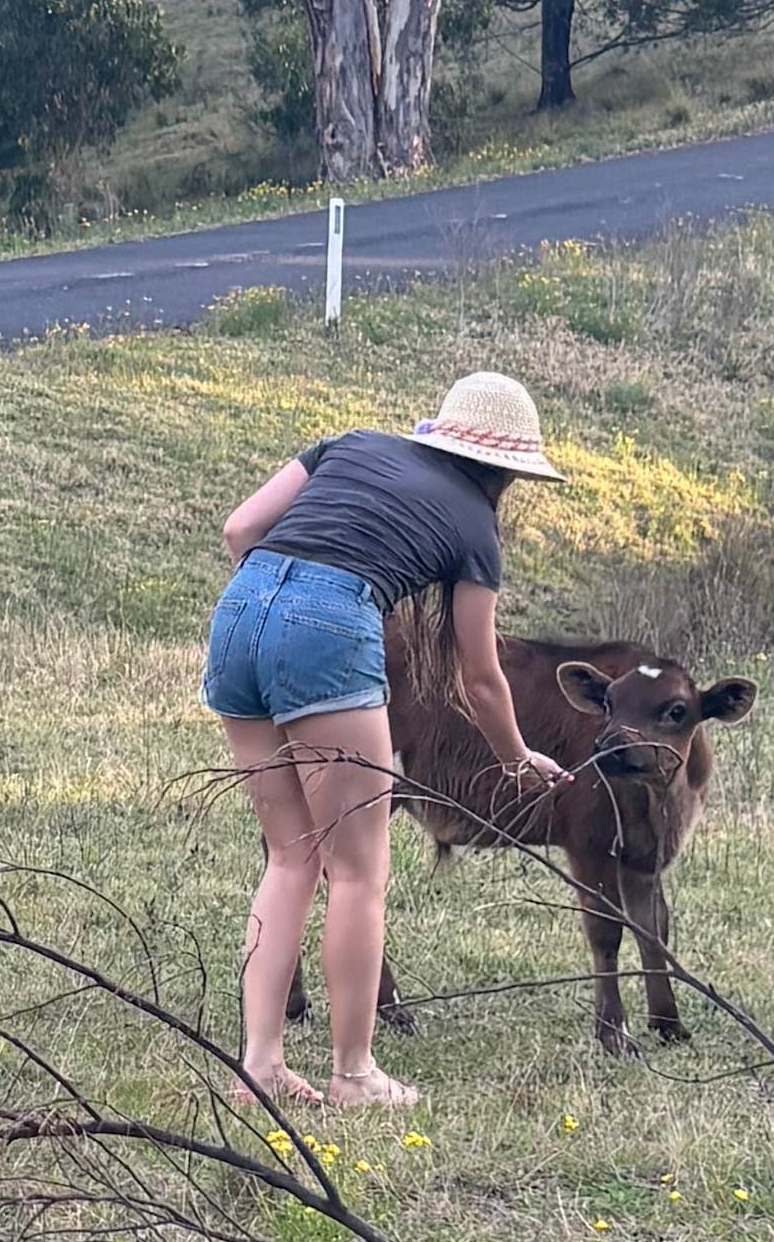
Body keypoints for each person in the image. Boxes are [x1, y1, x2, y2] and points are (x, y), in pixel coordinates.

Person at [202, 367, 569, 1111]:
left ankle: (261, 1064)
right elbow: (482, 677)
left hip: (237, 613)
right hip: (331, 628)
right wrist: (514, 757)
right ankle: (355, 1073)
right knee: (358, 870)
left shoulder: (351, 443)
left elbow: (240, 530)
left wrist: (275, 601)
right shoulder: (475, 525)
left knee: (289, 855)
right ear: (505, 469)